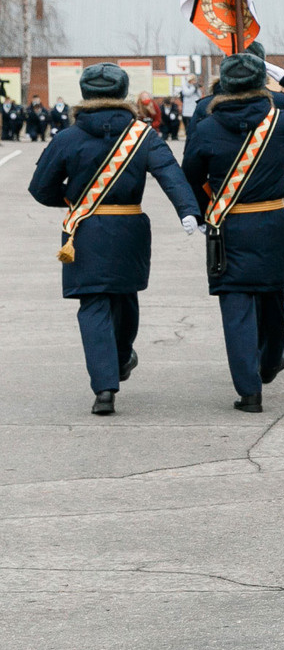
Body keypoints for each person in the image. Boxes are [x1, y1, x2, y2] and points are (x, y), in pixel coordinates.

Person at [27, 62, 201, 415]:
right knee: (125, 300)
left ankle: (105, 388)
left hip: (84, 232)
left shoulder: (67, 137)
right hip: (128, 230)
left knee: (93, 306)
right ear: (123, 94)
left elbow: (40, 188)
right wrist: (188, 211)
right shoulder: (143, 135)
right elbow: (169, 172)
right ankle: (121, 358)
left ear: (85, 94)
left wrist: (73, 198)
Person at [184, 52, 284, 412]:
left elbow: (190, 178)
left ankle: (249, 392)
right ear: (262, 82)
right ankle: (270, 361)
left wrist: (202, 217)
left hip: (228, 225)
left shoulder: (206, 126)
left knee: (236, 306)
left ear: (224, 85)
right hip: (272, 222)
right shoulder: (282, 121)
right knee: (273, 298)